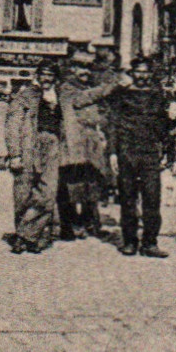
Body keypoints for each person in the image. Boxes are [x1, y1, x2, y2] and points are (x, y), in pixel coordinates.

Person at [103, 57, 169, 257]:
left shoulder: (159, 96)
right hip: (127, 152)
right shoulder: (121, 96)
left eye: (146, 72)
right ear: (133, 73)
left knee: (152, 199)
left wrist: (166, 152)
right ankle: (130, 241)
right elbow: (112, 125)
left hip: (149, 153)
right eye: (138, 72)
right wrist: (113, 153)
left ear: (151, 74)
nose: (142, 75)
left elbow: (164, 128)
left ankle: (150, 243)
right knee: (128, 198)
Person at [57, 52, 118, 241]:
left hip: (90, 144)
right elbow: (81, 100)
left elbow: (98, 114)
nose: (85, 72)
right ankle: (68, 226)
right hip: (73, 144)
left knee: (91, 184)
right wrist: (108, 87)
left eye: (88, 68)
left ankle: (90, 223)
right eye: (81, 68)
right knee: (70, 185)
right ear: (73, 69)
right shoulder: (67, 88)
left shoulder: (88, 87)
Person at [8, 64, 64, 254]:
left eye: (51, 75)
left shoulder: (61, 97)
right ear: (38, 76)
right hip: (28, 147)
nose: (47, 79)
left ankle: (26, 235)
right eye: (44, 75)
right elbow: (13, 125)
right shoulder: (25, 96)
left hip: (53, 147)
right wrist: (15, 154)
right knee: (23, 195)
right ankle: (27, 238)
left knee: (48, 194)